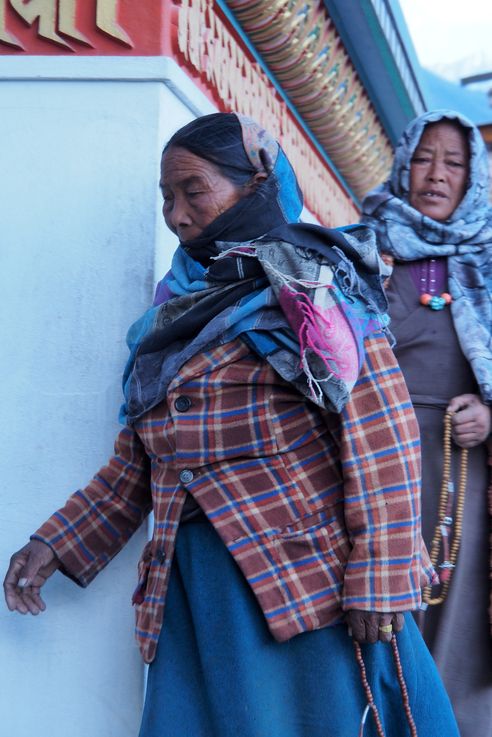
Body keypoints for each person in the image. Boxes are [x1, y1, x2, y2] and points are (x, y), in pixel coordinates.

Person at [4, 112, 459, 737]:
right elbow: (137, 464)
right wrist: (53, 543)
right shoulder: (173, 314)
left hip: (305, 590)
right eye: (166, 196)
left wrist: (380, 578)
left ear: (257, 184)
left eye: (195, 190)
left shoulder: (315, 291)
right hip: (198, 590)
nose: (178, 213)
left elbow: (382, 438)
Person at [361, 108, 492, 737]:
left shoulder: (490, 258)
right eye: (423, 157)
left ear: (475, 178)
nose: (436, 174)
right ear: (402, 162)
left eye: (454, 162)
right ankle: (379, 718)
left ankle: (451, 723)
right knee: (379, 590)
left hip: (461, 462)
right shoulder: (362, 251)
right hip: (373, 453)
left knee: (458, 600)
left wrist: (490, 412)